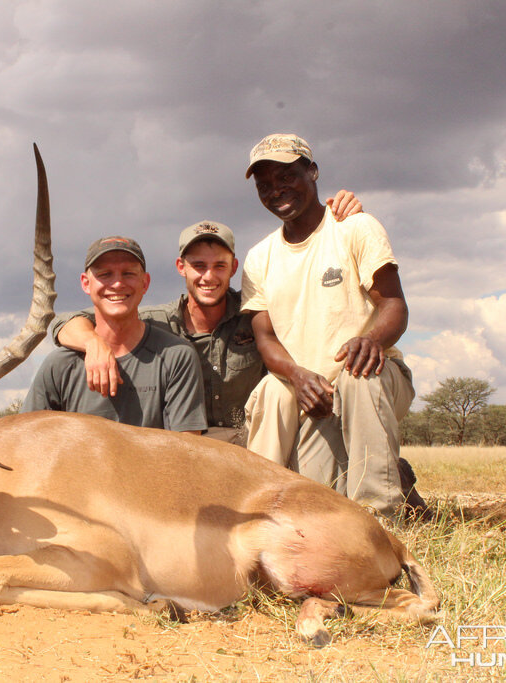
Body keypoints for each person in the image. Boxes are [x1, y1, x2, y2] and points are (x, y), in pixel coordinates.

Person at [50, 194, 360, 444]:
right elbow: (67, 322)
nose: (208, 276)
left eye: (219, 266)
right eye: (198, 265)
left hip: (255, 439)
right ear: (180, 267)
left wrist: (327, 219)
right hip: (190, 440)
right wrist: (93, 343)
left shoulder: (256, 313)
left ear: (234, 267)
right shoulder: (154, 321)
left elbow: (312, 310)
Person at [240, 133, 415, 519]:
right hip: (313, 396)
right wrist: (299, 377)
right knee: (320, 508)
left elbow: (394, 306)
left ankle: (381, 519)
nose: (276, 190)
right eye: (265, 185)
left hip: (372, 380)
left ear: (313, 172)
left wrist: (370, 340)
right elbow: (265, 338)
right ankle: (255, 516)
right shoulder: (259, 257)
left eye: (287, 177)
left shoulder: (355, 227)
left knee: (358, 374)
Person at [22, 236, 207, 434]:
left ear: (145, 283)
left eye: (128, 274)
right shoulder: (59, 365)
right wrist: (94, 343)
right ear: (86, 283)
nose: (117, 284)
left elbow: (186, 449)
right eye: (105, 274)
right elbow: (27, 439)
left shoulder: (177, 356)